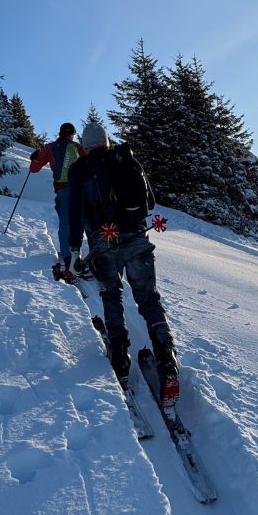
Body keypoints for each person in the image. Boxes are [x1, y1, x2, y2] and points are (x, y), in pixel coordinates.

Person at [65, 119, 179, 402]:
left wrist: (75, 250)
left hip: (103, 242)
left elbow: (75, 213)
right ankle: (167, 358)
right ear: (106, 141)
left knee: (111, 295)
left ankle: (120, 357)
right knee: (149, 299)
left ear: (84, 146)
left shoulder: (79, 170)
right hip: (138, 237)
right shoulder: (126, 159)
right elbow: (149, 203)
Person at [30, 122, 84, 273]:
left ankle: (67, 257)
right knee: (82, 221)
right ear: (72, 135)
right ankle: (82, 254)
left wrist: (35, 158)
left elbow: (34, 169)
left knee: (65, 223)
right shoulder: (78, 147)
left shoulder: (50, 148)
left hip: (62, 189)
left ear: (60, 134)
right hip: (80, 189)